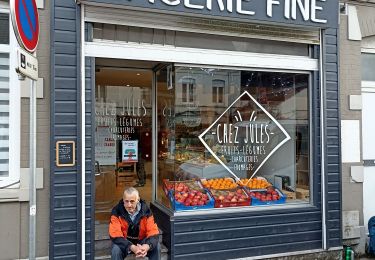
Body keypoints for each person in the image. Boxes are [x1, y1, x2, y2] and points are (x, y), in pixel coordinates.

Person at [109, 187, 160, 260]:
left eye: (132, 201)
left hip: (141, 242)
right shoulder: (116, 212)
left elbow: (153, 232)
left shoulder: (146, 211)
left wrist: (147, 246)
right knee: (116, 249)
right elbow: (115, 234)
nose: (129, 205)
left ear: (138, 200)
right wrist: (132, 247)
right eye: (126, 201)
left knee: (156, 246)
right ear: (123, 200)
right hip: (125, 242)